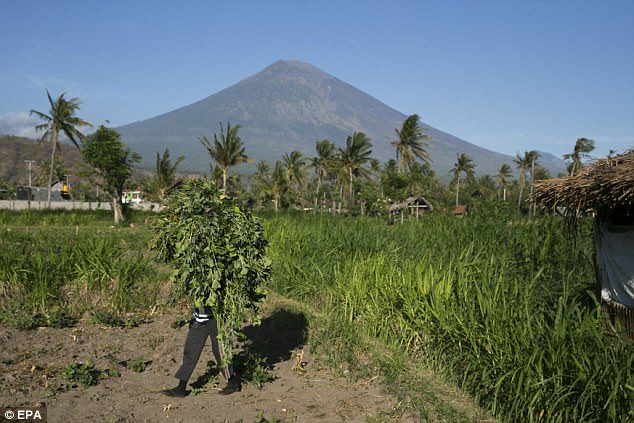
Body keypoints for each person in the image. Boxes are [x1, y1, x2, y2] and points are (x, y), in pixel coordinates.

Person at [162, 306, 241, 397]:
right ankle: (181, 388)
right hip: (199, 317)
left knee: (220, 350)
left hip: (217, 316)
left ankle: (232, 382)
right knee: (191, 349)